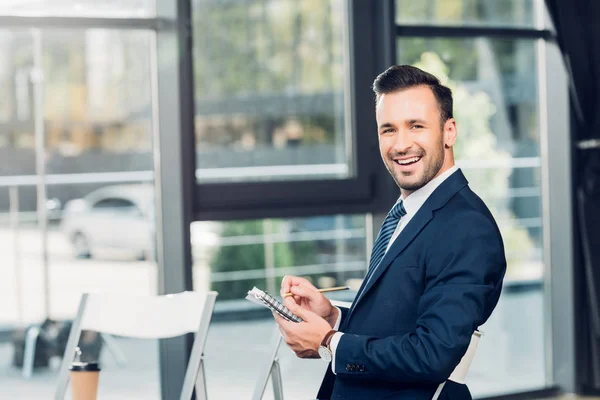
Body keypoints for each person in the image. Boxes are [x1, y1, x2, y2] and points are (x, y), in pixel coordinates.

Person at [273, 65, 506, 400]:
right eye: (388, 130)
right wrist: (333, 317)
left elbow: (432, 353)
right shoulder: (407, 212)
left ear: (449, 131)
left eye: (416, 127)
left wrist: (327, 342)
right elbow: (399, 319)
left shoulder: (467, 227)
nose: (401, 144)